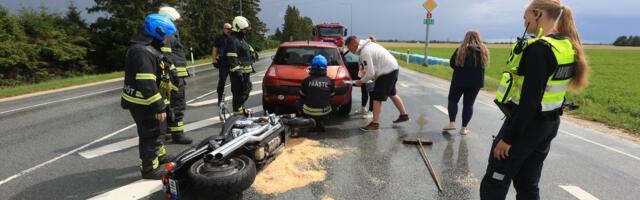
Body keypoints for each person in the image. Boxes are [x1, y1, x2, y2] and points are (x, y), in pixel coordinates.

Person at [480, 0, 590, 199]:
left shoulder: (539, 49)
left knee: (494, 183)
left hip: (526, 126)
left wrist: (508, 138)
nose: (524, 23)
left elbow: (529, 102)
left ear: (537, 14)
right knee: (527, 184)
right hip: (548, 124)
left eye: (526, 17)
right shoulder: (565, 46)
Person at [121, 14, 179, 179]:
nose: (169, 39)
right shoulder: (142, 51)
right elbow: (146, 82)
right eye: (168, 35)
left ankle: (159, 156)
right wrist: (158, 106)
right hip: (144, 103)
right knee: (150, 134)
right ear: (158, 32)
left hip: (147, 101)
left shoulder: (149, 47)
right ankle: (149, 169)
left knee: (158, 131)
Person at [345, 36, 410, 131]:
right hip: (393, 68)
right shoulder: (368, 46)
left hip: (386, 71)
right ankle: (404, 115)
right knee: (392, 93)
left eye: (349, 48)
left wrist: (361, 81)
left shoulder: (365, 52)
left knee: (377, 97)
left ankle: (375, 124)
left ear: (354, 44)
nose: (350, 51)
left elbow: (370, 73)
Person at [442, 30, 490, 135]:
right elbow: (484, 65)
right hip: (475, 83)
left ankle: (452, 123)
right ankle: (463, 129)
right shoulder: (483, 51)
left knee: (453, 100)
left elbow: (452, 64)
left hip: (459, 81)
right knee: (469, 104)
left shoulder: (461, 49)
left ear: (466, 38)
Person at [158, 6, 192, 144]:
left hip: (173, 76)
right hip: (174, 78)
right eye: (175, 21)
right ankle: (177, 135)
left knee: (168, 105)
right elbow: (166, 57)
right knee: (177, 105)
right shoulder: (168, 35)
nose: (177, 24)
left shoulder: (166, 34)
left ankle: (166, 131)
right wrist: (174, 76)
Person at [224, 16, 258, 116]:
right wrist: (237, 72)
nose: (246, 31)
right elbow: (232, 57)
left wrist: (253, 53)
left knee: (245, 91)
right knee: (239, 95)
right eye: (244, 29)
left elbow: (244, 51)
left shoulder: (240, 39)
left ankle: (241, 111)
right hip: (238, 74)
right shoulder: (233, 40)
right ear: (238, 27)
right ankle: (238, 115)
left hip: (245, 73)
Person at [299, 55, 335, 132]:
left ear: (312, 67)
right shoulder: (330, 81)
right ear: (325, 68)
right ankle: (321, 121)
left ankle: (309, 122)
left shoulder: (306, 80)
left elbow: (302, 95)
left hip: (308, 112)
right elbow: (332, 96)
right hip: (325, 112)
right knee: (330, 102)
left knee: (298, 103)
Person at [212, 23, 233, 105]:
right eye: (227, 29)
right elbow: (215, 49)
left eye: (230, 29)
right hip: (223, 62)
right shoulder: (219, 38)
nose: (229, 30)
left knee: (235, 81)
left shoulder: (233, 37)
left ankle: (235, 97)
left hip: (232, 62)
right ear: (224, 29)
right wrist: (214, 60)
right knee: (222, 81)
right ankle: (220, 99)